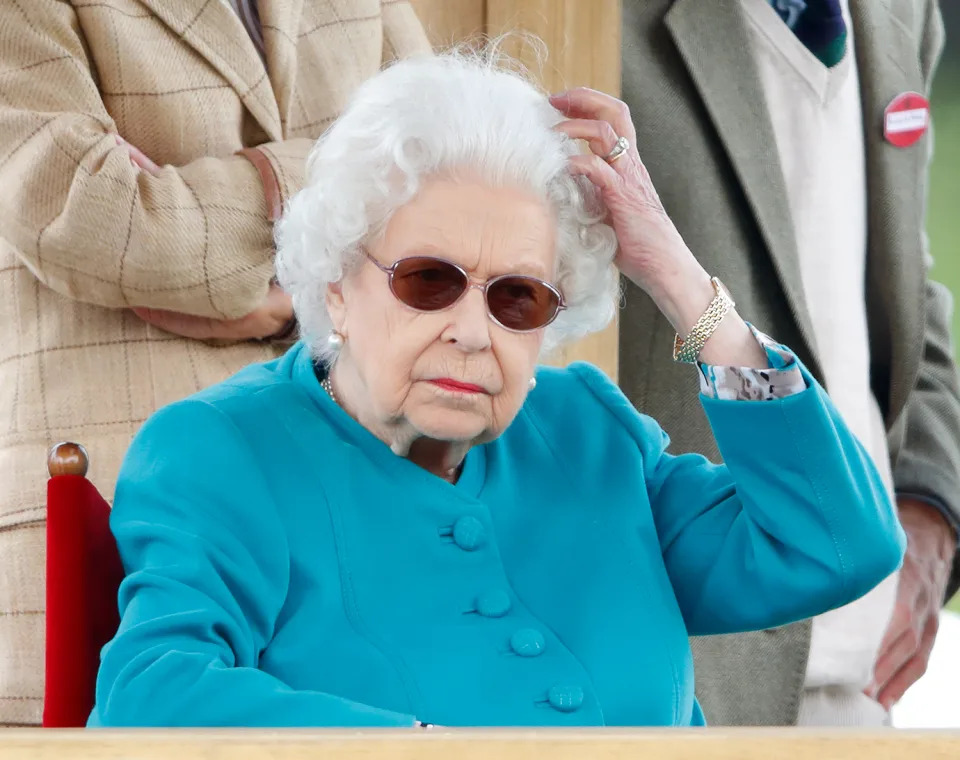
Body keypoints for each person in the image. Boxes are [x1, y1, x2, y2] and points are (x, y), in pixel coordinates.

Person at [88, 51, 904, 728]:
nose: (474, 331)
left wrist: (684, 283)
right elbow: (152, 696)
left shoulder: (587, 434)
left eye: (517, 298)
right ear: (336, 281)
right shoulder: (223, 452)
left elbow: (837, 545)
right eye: (429, 280)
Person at [0, 0, 429, 725]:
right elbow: (89, 213)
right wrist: (350, 190)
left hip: (352, 529)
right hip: (108, 532)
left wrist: (292, 298)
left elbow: (445, 191)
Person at [619, 0, 960, 726]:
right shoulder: (581, 21)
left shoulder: (906, 11)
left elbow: (907, 284)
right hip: (684, 667)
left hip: (867, 665)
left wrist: (932, 505)